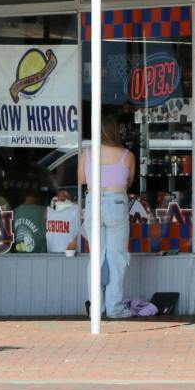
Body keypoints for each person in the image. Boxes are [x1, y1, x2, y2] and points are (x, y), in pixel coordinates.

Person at [78, 121, 136, 320]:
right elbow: (128, 182)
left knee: (96, 256)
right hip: (116, 202)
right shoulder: (127, 156)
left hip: (93, 201)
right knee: (116, 257)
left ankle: (97, 307)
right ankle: (114, 307)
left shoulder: (87, 153)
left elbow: (82, 179)